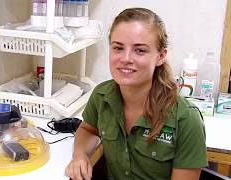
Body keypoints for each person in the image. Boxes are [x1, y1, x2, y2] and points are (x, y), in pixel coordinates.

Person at [65, 7, 208, 180]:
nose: (126, 58)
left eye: (139, 50)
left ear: (161, 56)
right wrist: (79, 155)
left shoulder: (186, 119)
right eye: (118, 48)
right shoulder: (101, 96)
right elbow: (88, 129)